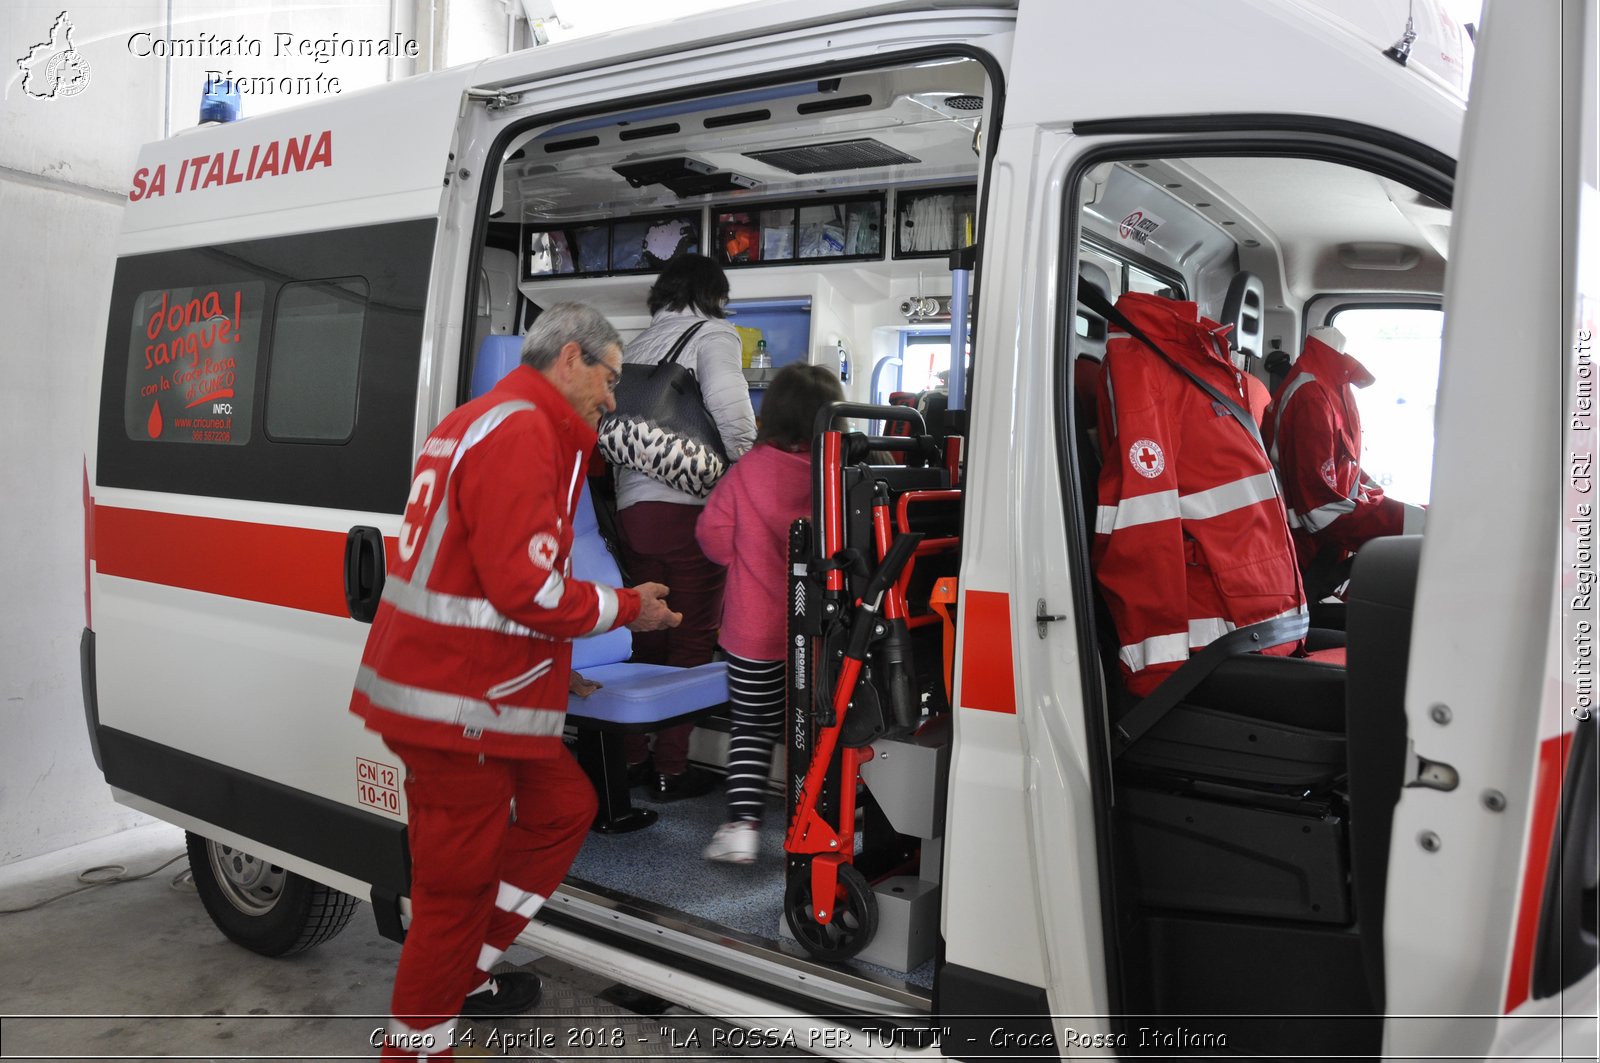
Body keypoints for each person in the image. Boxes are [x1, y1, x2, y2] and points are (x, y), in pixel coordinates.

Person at [350, 303, 682, 1060]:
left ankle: (466, 962)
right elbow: (525, 587)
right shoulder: (524, 432)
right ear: (570, 358)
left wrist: (555, 673)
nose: (612, 397)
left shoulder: (483, 421)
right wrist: (632, 608)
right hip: (458, 708)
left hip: (475, 692)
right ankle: (416, 1044)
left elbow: (478, 577)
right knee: (449, 894)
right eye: (610, 377)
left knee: (565, 806)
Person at [1092, 292, 1308, 698]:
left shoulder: (1203, 360)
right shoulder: (1145, 364)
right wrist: (1159, 674)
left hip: (1265, 627)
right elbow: (1144, 520)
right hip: (1220, 645)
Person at [614, 255, 756, 800]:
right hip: (691, 507)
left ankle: (628, 758)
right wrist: (747, 468)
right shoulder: (714, 333)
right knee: (692, 635)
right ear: (713, 293)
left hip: (633, 510)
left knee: (644, 629)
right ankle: (671, 767)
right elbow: (728, 403)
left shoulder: (638, 344)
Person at [695, 363, 845, 863]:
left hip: (754, 636)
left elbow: (713, 541)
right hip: (823, 636)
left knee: (753, 729)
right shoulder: (836, 476)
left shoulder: (747, 472)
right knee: (821, 730)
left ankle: (742, 828)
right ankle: (818, 825)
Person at [1262, 326, 1425, 599]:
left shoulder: (1334, 383)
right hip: (1310, 562)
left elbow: (1348, 471)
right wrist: (1414, 523)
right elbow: (1320, 510)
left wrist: (1410, 510)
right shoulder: (1310, 394)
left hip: (1334, 550)